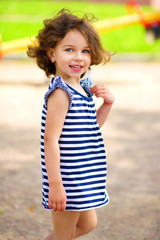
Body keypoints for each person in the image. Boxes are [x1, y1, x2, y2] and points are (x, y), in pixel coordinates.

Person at [27, 9, 114, 240]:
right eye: (69, 50)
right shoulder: (61, 93)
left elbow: (89, 129)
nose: (79, 57)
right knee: (64, 235)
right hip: (67, 179)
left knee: (88, 224)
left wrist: (107, 104)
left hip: (82, 176)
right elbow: (50, 139)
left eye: (85, 51)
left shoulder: (82, 88)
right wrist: (56, 185)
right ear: (52, 54)